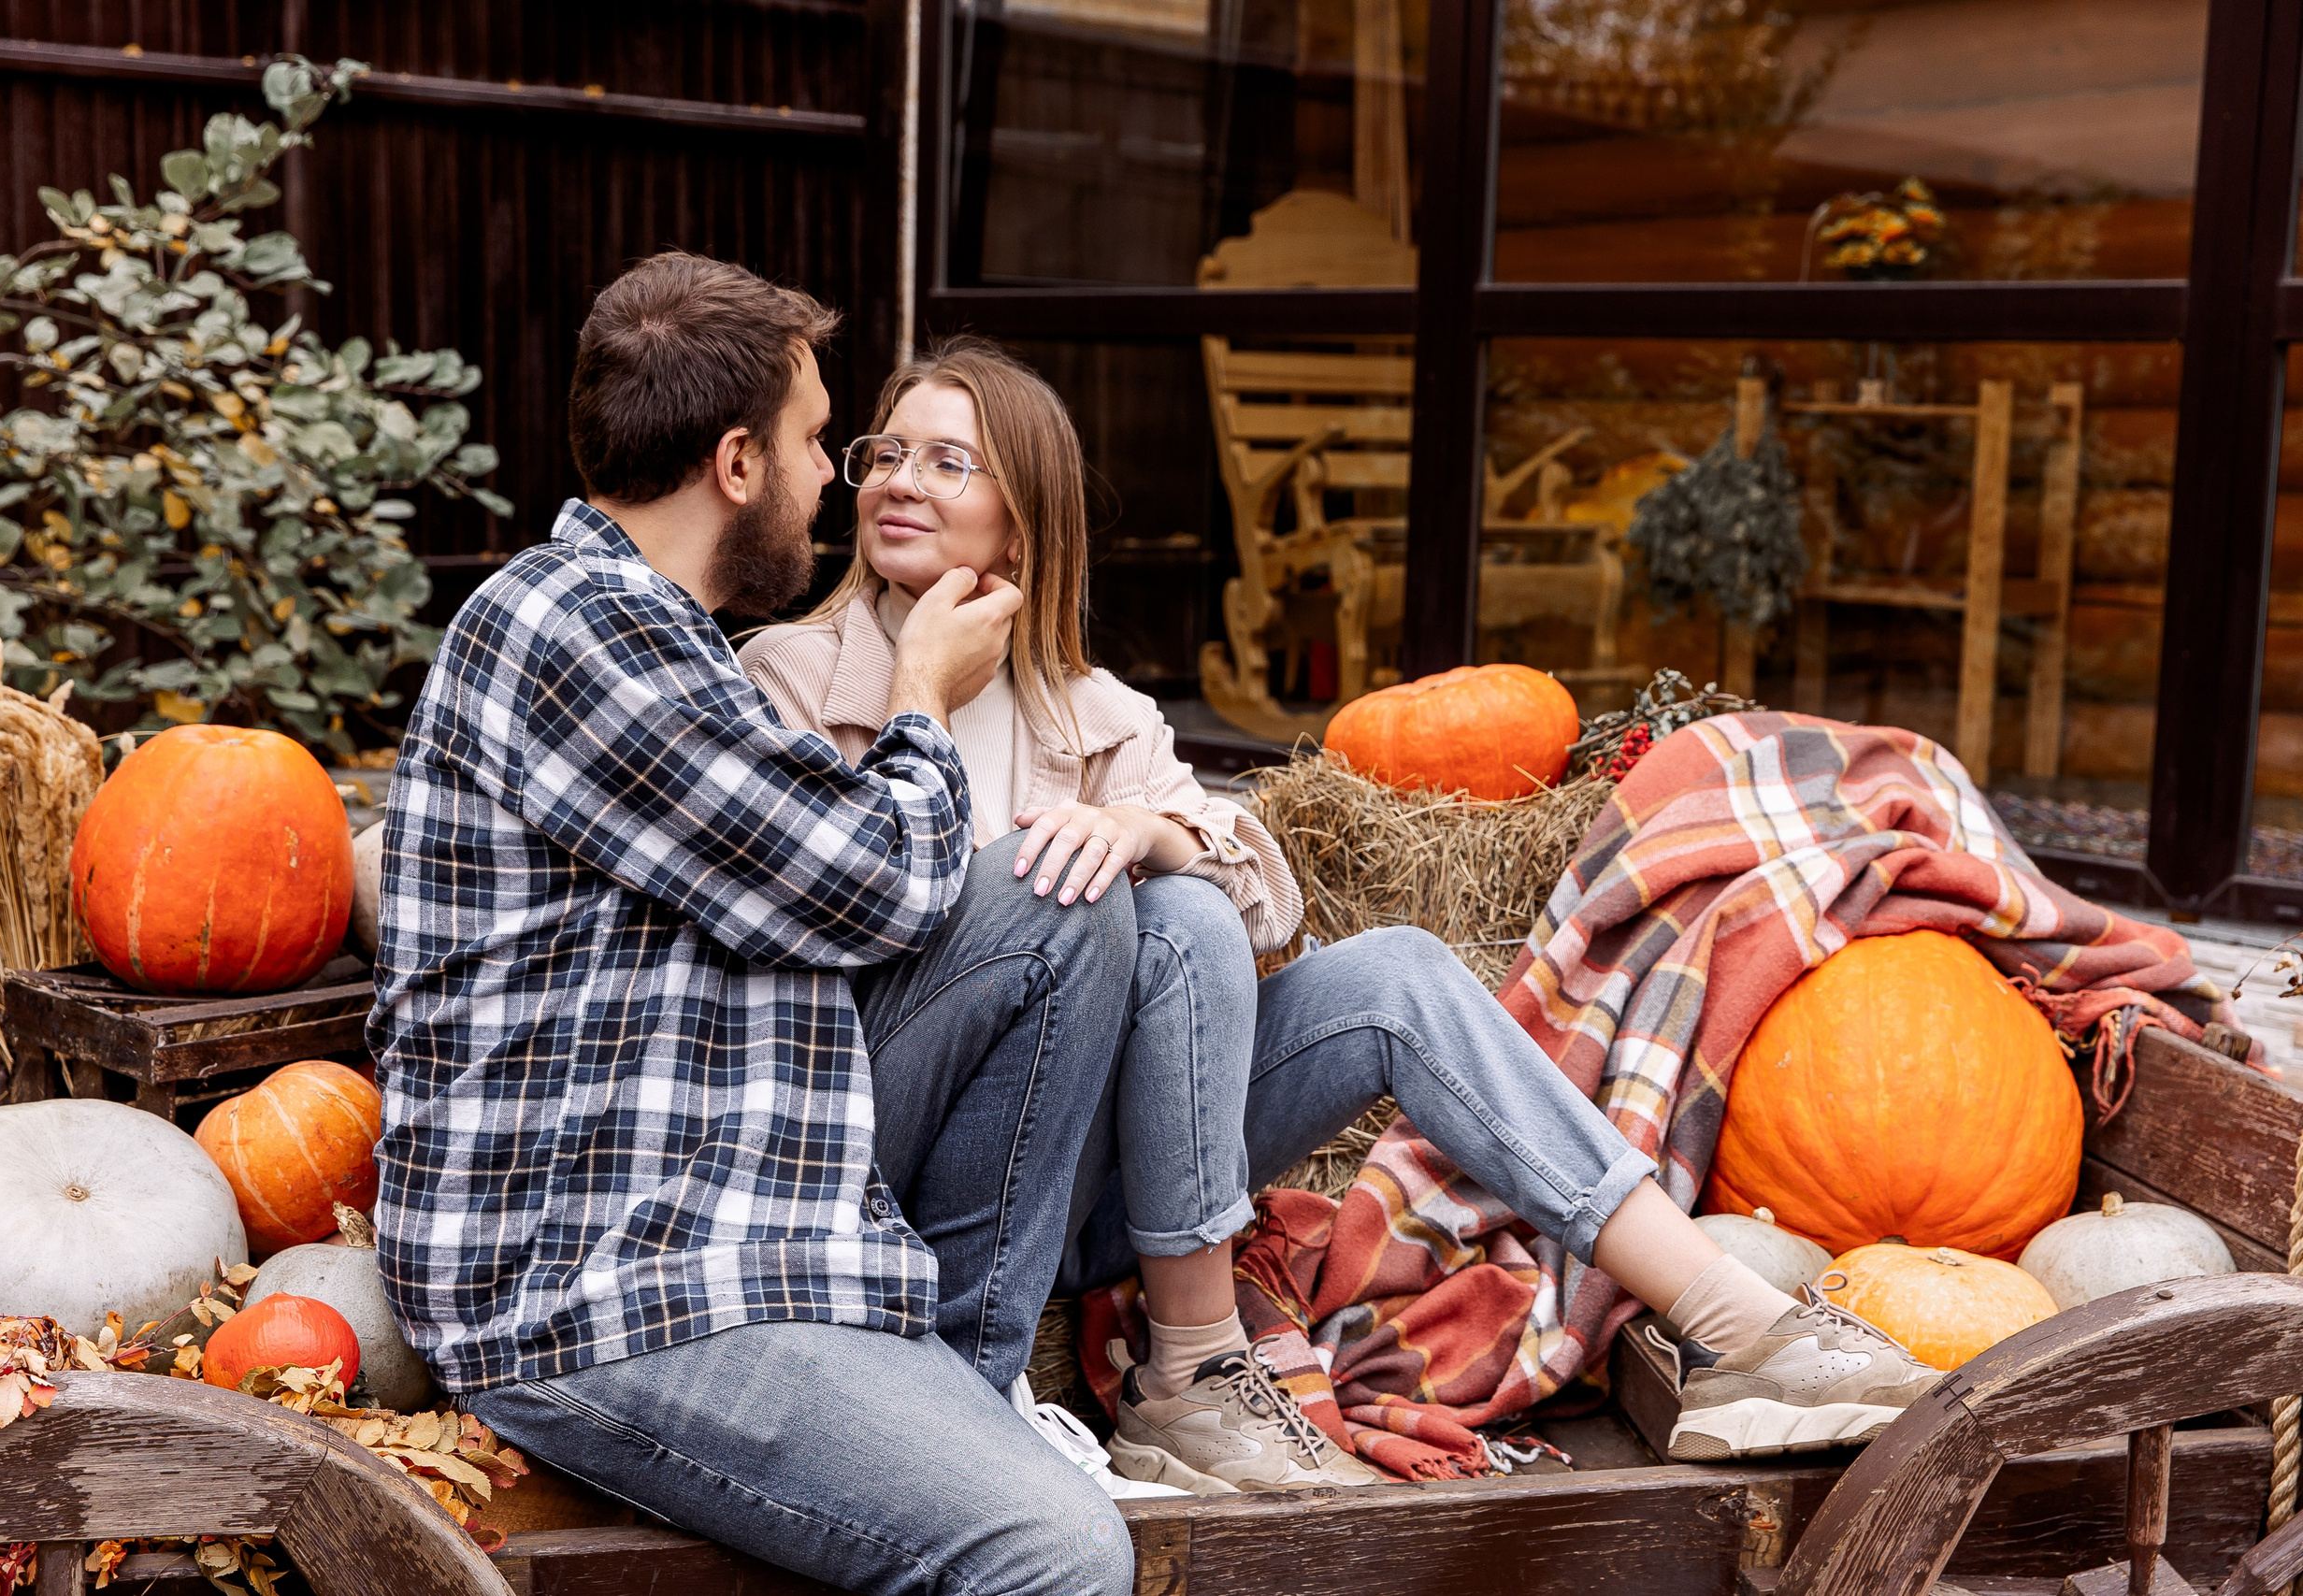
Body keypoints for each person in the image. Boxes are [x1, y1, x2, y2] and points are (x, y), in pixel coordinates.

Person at [740, 336, 1944, 1487]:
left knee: (1372, 963)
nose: (900, 481)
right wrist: (920, 698)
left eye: (949, 461)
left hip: (1104, 1184)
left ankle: (1735, 1327)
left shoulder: (1096, 714)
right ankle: (1198, 1362)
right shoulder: (786, 677)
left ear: (1027, 509)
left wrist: (1150, 831)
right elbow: (833, 915)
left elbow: (1268, 905)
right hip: (908, 1156)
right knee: (1152, 910)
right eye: (885, 453)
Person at [369, 255, 1144, 1596]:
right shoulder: (573, 627)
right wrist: (920, 689)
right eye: (813, 442)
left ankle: (967, 1386)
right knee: (1058, 1555)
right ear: (737, 462)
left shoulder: (658, 633)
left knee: (1060, 904)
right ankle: (971, 1457)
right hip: (598, 1289)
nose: (838, 482)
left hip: (722, 1223)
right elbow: (880, 881)